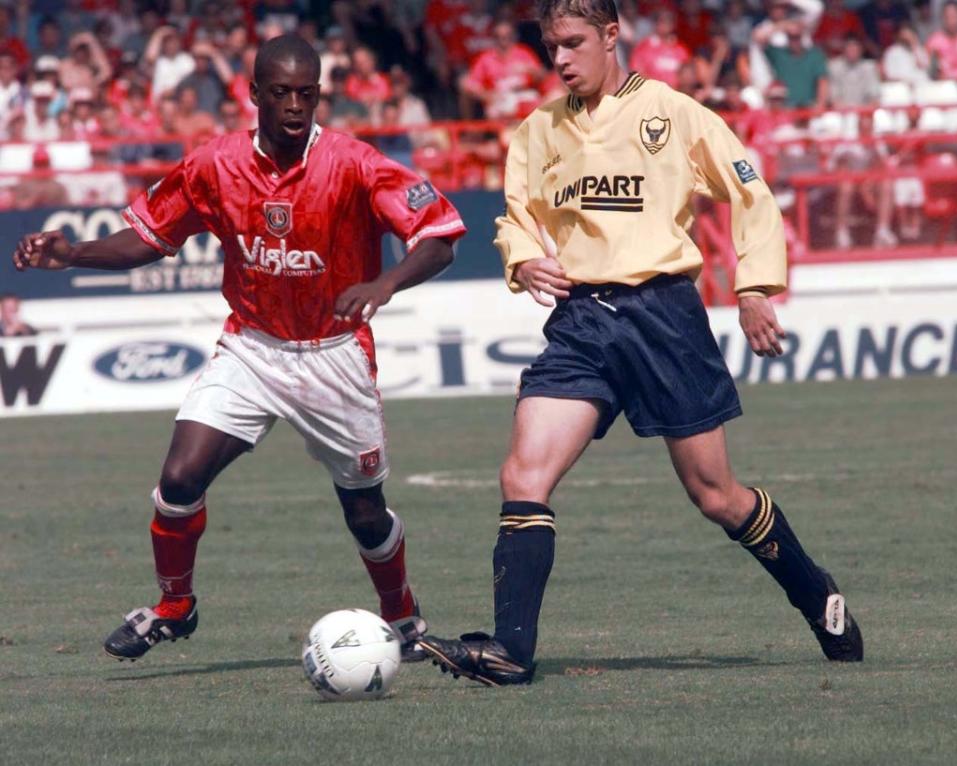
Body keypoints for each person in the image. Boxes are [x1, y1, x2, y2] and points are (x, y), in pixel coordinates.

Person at [419, 0, 863, 687]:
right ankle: (510, 651)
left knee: (716, 496)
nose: (561, 60)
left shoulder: (673, 113)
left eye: (572, 44)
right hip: (581, 322)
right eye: (551, 48)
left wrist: (753, 289)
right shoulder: (538, 131)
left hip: (663, 316)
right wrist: (521, 258)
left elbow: (751, 195)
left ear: (610, 36)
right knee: (523, 476)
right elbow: (514, 218)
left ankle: (814, 593)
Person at [11, 35, 466, 663]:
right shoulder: (214, 165)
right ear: (254, 94)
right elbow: (150, 237)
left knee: (365, 513)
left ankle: (403, 616)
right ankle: (174, 607)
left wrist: (385, 282)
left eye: (307, 94)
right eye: (280, 93)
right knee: (178, 480)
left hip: (334, 355)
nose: (295, 106)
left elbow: (440, 236)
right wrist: (72, 254)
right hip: (251, 348)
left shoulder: (356, 163)